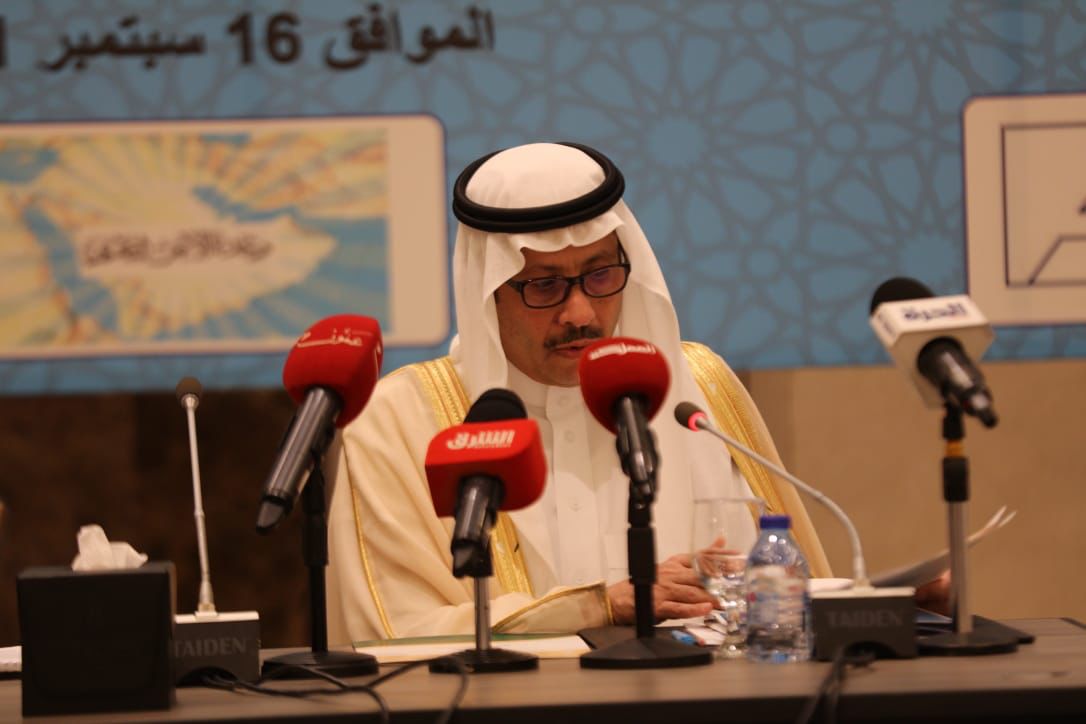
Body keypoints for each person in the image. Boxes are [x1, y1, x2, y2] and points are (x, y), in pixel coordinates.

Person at [324, 142, 831, 645]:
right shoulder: (399, 420)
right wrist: (598, 606)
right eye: (544, 286)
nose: (581, 314)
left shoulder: (698, 392)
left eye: (601, 275)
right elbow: (394, 631)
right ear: (488, 291)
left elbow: (790, 596)